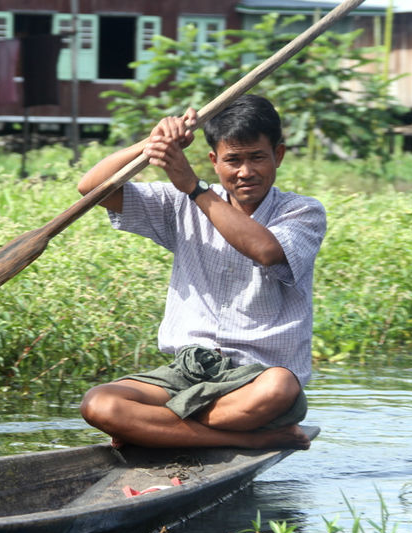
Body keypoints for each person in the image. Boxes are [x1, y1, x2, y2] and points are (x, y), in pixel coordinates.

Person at [77, 95, 325, 450]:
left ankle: (154, 429)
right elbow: (92, 188)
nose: (245, 172)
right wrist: (154, 144)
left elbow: (265, 250)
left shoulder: (302, 211)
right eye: (233, 160)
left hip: (256, 380)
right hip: (188, 373)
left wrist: (194, 187)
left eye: (257, 157)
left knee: (280, 388)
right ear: (215, 160)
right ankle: (254, 441)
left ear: (278, 156)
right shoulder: (178, 204)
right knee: (99, 404)